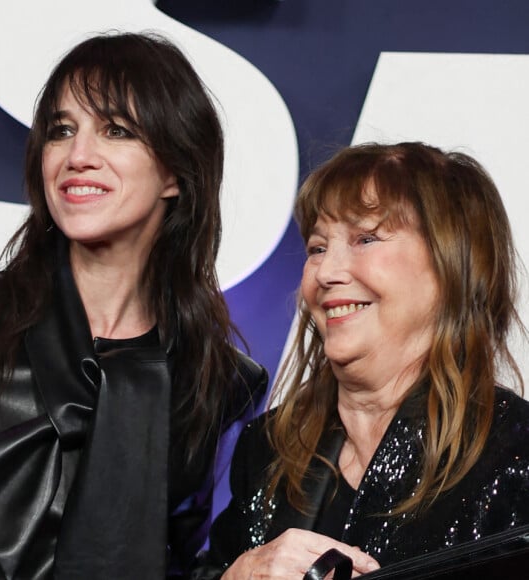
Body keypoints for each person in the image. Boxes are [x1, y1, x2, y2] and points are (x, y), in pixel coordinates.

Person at [0, 32, 267, 579]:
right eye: (62, 131)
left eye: (116, 131)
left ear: (175, 172)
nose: (77, 156)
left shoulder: (220, 385)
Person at [191, 142, 529, 579]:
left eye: (365, 238)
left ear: (454, 264)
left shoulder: (514, 453)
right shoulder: (270, 447)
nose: (327, 273)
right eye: (316, 248)